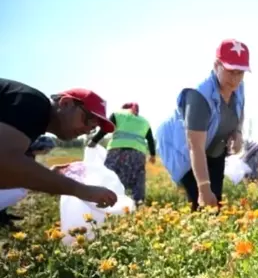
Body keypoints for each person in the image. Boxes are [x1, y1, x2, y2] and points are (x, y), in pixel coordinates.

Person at [156, 39, 248, 211]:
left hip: (214, 148)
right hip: (185, 151)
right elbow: (194, 147)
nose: (235, 79)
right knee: (200, 201)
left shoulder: (238, 87)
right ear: (216, 65)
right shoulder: (199, 96)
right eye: (230, 71)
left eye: (240, 72)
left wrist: (237, 133)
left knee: (216, 203)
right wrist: (203, 188)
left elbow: (239, 111)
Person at [0, 79, 118, 208]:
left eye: (92, 128)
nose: (86, 130)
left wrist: (49, 177)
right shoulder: (34, 104)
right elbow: (5, 163)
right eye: (87, 120)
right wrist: (81, 190)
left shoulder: (33, 122)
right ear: (66, 103)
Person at [89, 102, 156, 205]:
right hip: (138, 154)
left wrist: (93, 142)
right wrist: (152, 155)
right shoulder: (144, 121)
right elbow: (150, 140)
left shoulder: (117, 115)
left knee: (111, 176)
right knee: (137, 179)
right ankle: (137, 204)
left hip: (117, 152)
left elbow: (104, 130)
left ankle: (107, 202)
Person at [0, 135, 58, 230]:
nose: (47, 152)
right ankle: (3, 218)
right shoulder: (25, 154)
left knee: (19, 190)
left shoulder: (29, 154)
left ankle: (3, 214)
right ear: (40, 147)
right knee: (18, 191)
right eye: (48, 149)